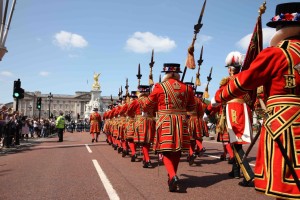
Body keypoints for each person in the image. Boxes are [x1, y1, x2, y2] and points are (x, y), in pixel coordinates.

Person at [214, 2, 300, 199]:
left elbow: (247, 80)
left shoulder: (277, 52)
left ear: (280, 28)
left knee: (286, 182)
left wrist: (219, 97)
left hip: (283, 120)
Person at [141, 63, 195, 192]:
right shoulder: (187, 88)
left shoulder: (160, 87)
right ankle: (172, 177)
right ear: (178, 74)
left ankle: (172, 175)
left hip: (165, 121)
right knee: (177, 151)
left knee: (165, 151)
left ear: (166, 73)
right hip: (181, 121)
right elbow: (192, 108)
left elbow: (147, 106)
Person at [213, 51, 255, 186]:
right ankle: (235, 171)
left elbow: (216, 100)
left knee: (236, 144)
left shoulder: (228, 81)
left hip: (233, 110)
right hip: (246, 110)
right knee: (237, 142)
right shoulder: (246, 79)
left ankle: (249, 175)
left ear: (231, 69)